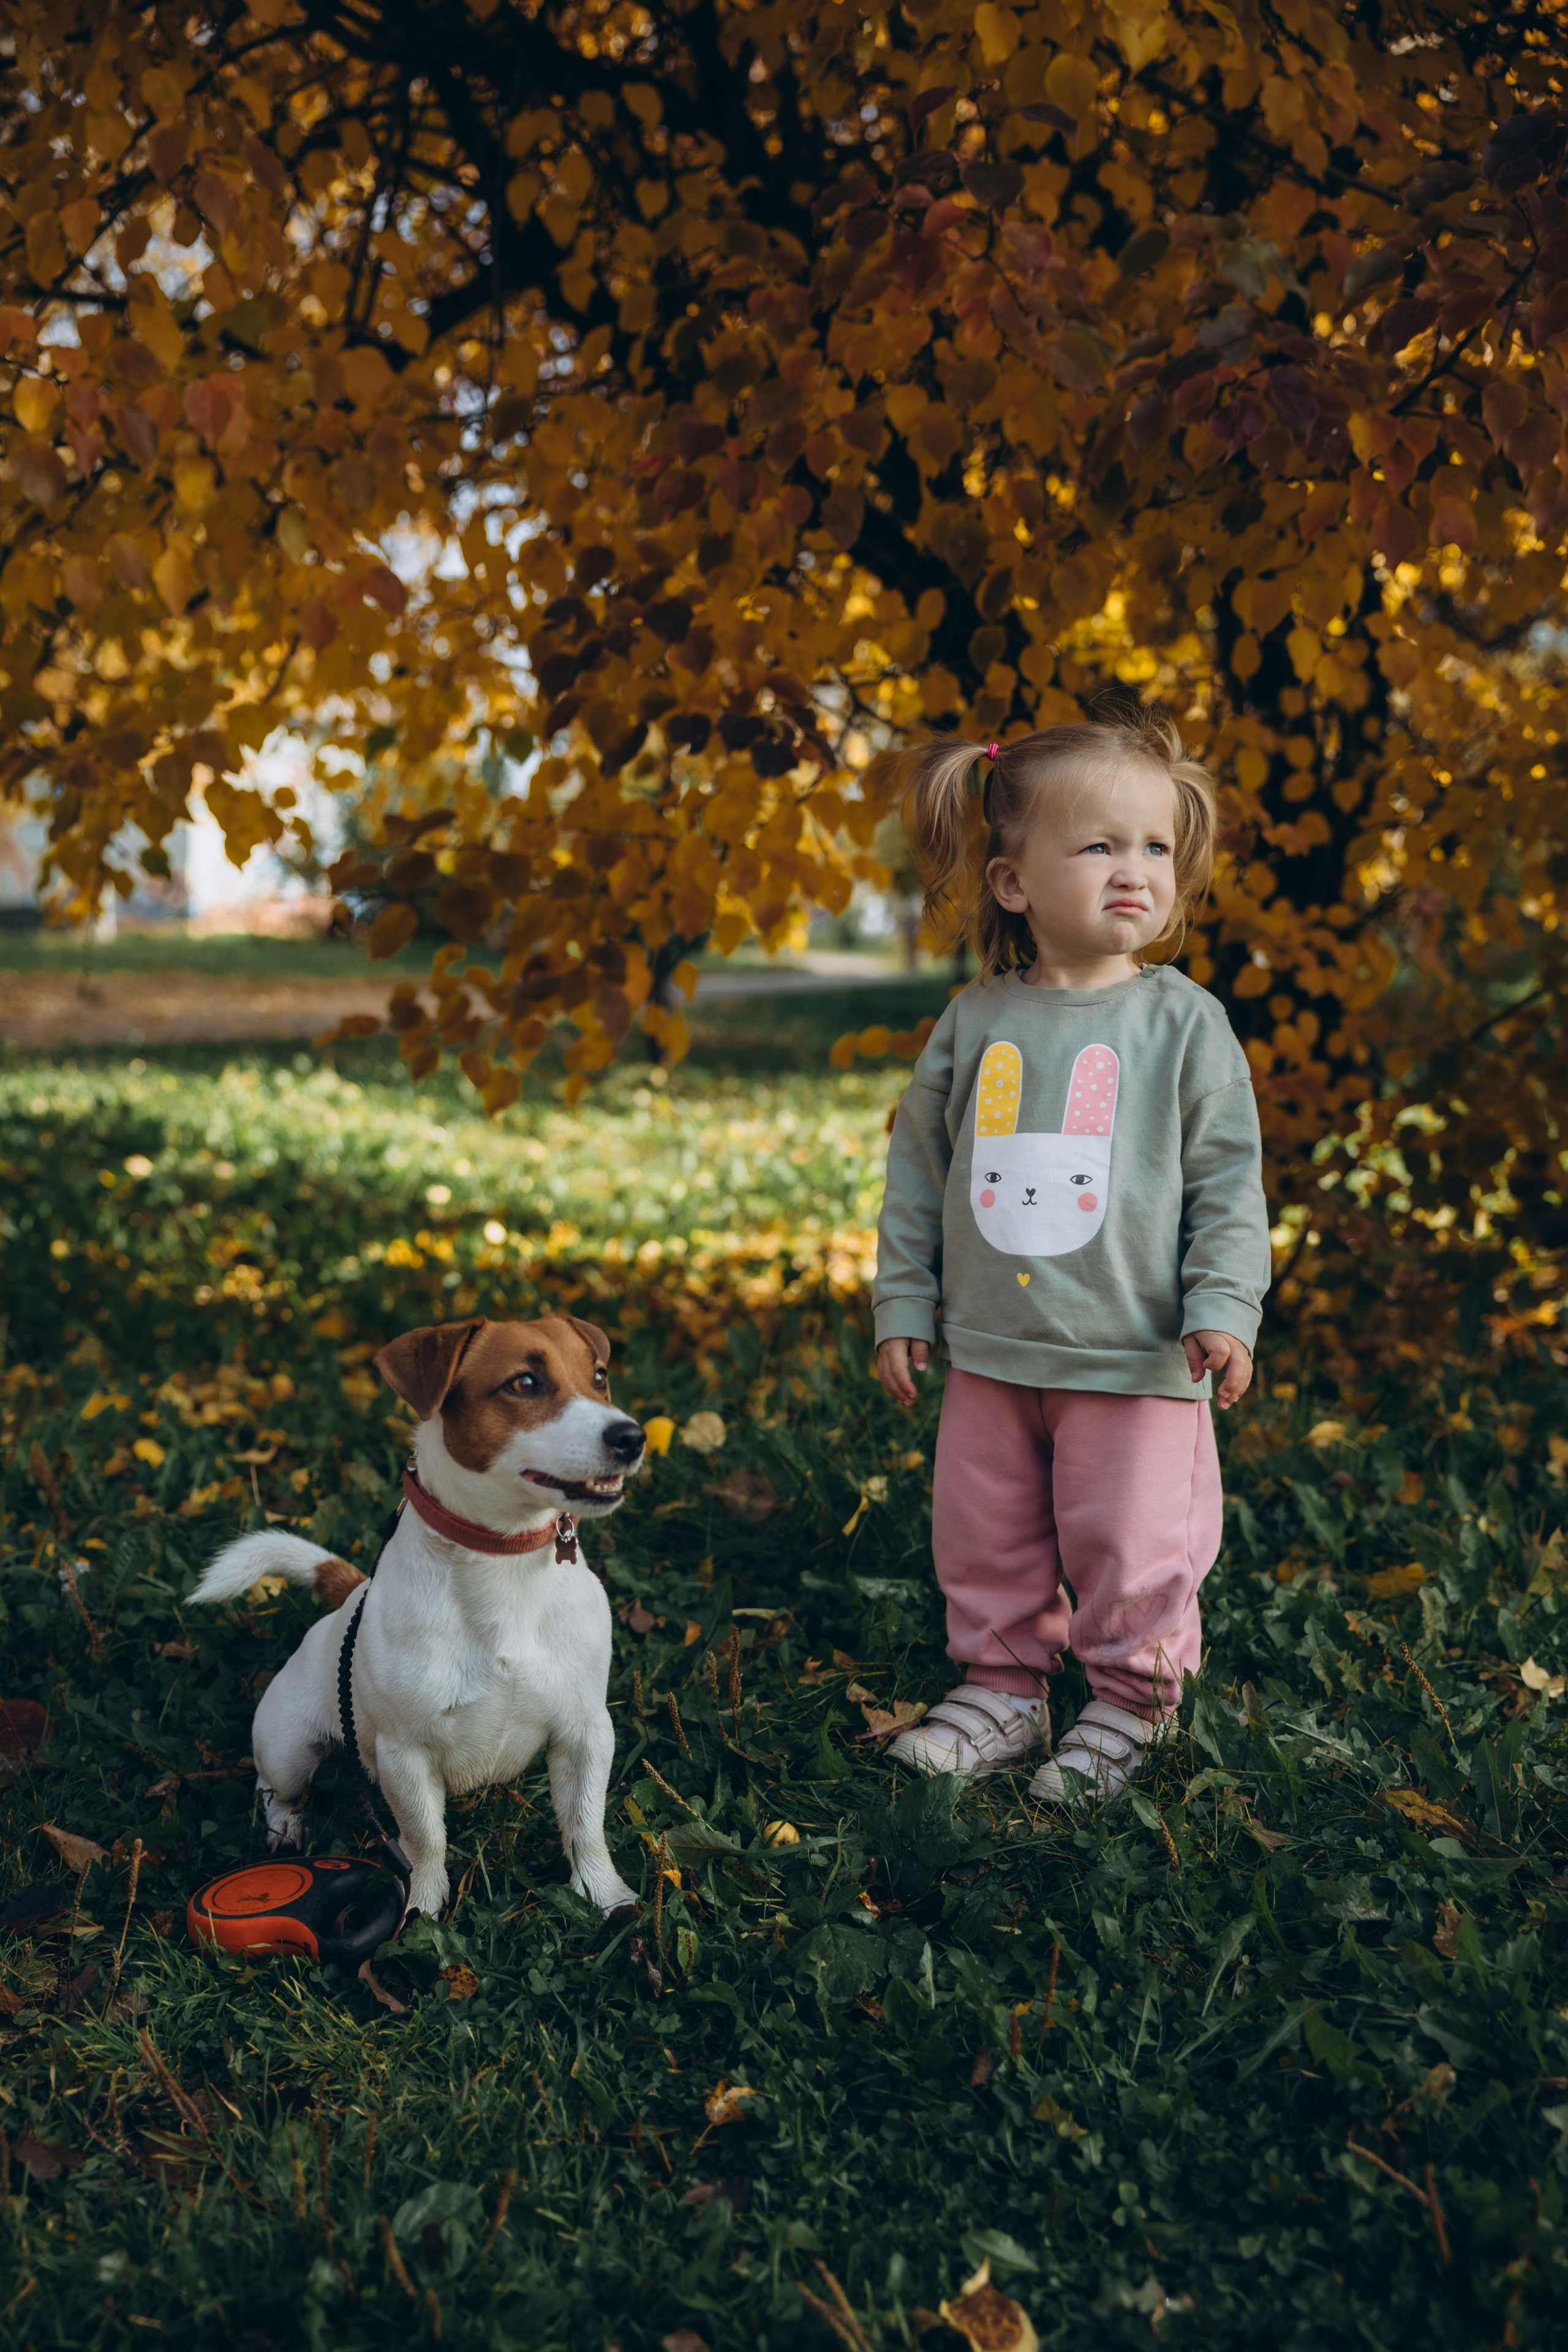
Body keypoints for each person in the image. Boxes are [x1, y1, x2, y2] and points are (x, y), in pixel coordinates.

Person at [872, 720, 1270, 1806]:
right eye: (1098, 847)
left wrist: (1224, 1303)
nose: (1134, 871)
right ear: (1012, 880)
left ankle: (1133, 1703)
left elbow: (1230, 1181)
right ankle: (1001, 1688)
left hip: (1137, 1352)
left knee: (1130, 1536)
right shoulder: (975, 1021)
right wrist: (905, 1298)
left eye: (1152, 847)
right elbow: (921, 1169)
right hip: (993, 1349)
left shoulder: (1184, 1025)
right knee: (985, 1525)